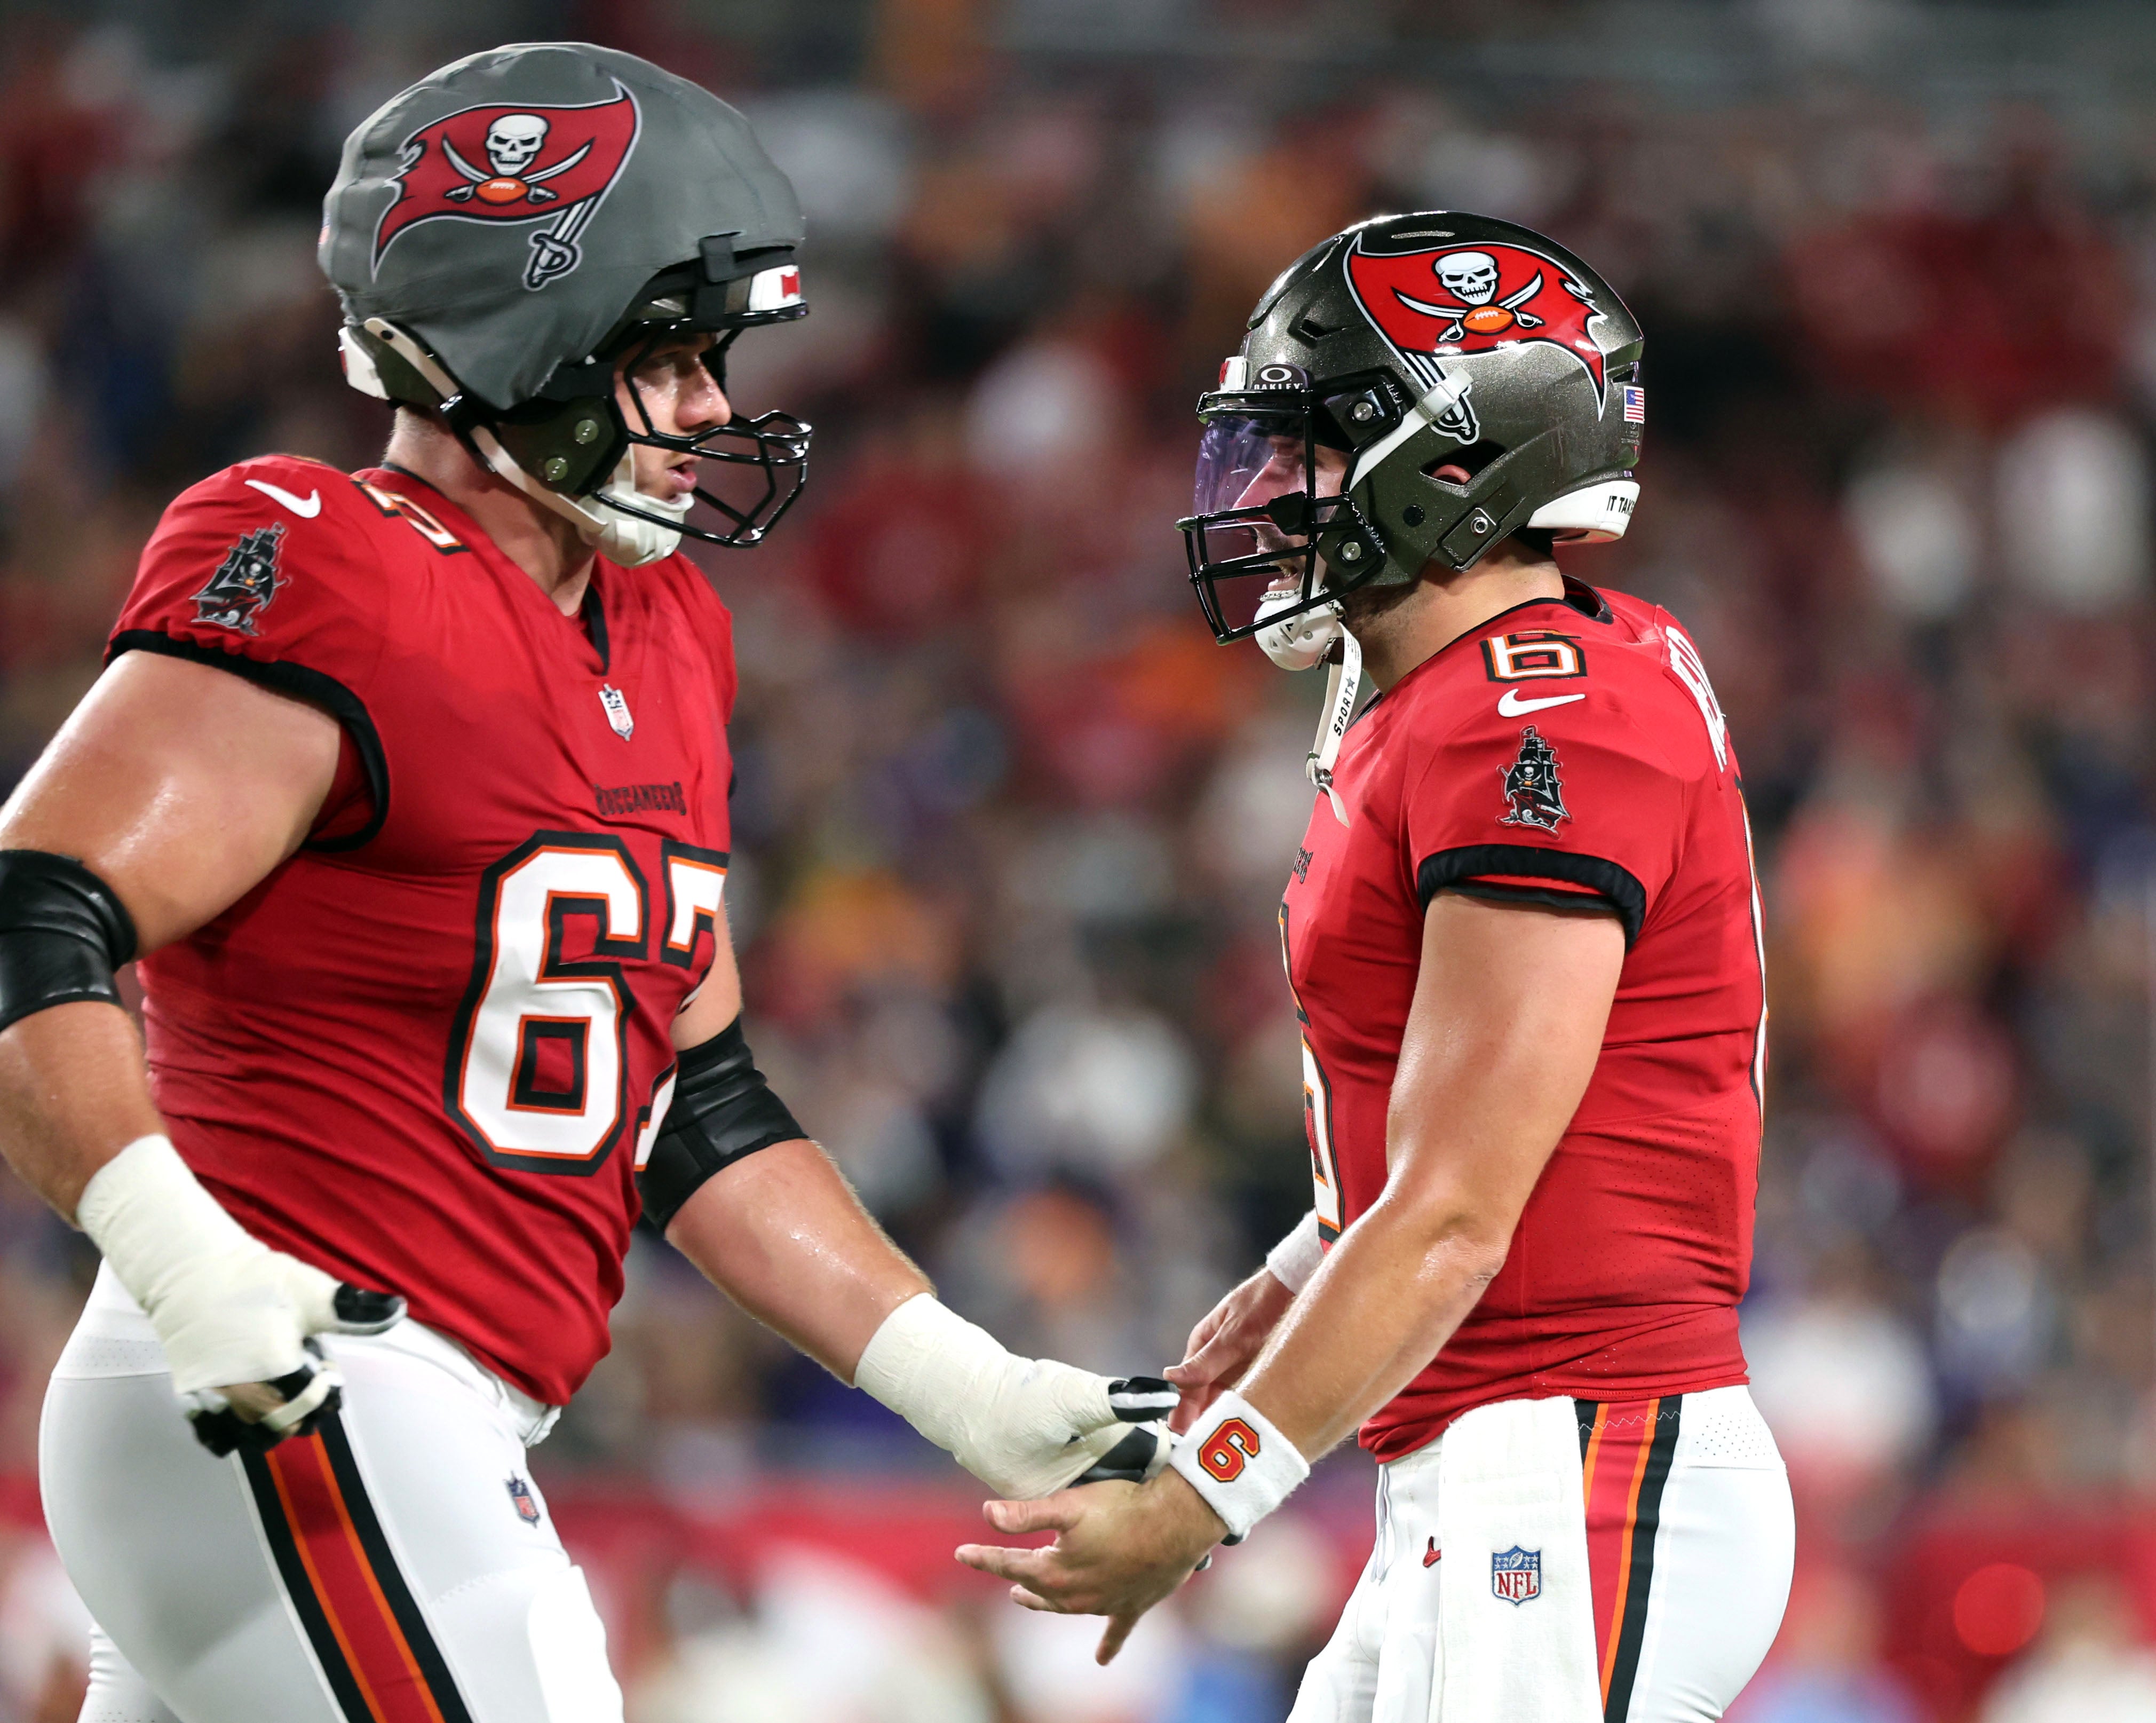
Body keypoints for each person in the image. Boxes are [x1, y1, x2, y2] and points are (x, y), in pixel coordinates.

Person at [0, 44, 1168, 1723]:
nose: (711, 409)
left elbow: (694, 1099)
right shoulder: (331, 557)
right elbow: (37, 905)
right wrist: (182, 1256)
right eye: (669, 358)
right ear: (520, 338)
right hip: (300, 1376)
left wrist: (959, 1379)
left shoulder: (670, 625)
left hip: (412, 1408)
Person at [958, 212, 1795, 1721]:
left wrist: (1197, 1502)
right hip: (1500, 1457)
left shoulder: (1541, 717)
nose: (1267, 493)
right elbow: (1490, 1118)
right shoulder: (1465, 692)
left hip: (1582, 1453)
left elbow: (1463, 1209)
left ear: (1459, 459)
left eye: (1312, 448)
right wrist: (1299, 1274)